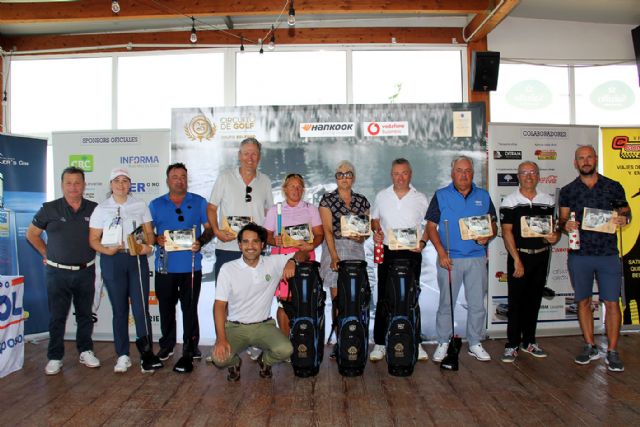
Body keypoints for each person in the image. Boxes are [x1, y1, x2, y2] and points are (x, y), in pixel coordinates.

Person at [559, 145, 631, 372]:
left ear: (596, 159)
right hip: (579, 254)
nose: (586, 161)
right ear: (575, 163)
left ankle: (612, 350)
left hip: (608, 254)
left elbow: (626, 213)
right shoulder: (568, 190)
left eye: (589, 157)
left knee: (611, 302)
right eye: (581, 158)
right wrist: (566, 225)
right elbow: (562, 221)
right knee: (583, 301)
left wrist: (624, 220)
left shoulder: (613, 186)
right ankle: (589, 345)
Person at [26, 166, 100, 375]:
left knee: (85, 315)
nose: (73, 187)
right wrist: (45, 254)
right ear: (62, 185)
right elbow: (32, 234)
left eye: (77, 182)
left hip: (86, 271)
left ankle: (85, 350)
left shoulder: (95, 209)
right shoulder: (49, 208)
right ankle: (55, 357)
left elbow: (103, 236)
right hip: (57, 273)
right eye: (69, 182)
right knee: (57, 317)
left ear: (84, 185)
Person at [211, 223, 308, 381]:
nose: (250, 246)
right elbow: (220, 306)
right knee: (219, 359)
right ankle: (234, 363)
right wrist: (221, 339)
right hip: (235, 327)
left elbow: (304, 253)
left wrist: (293, 262)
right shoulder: (228, 269)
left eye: (255, 241)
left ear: (262, 245)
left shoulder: (273, 263)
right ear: (240, 245)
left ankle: (265, 361)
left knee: (286, 350)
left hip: (263, 326)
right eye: (246, 242)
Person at [88, 167, 162, 373]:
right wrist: (106, 250)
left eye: (125, 181)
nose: (121, 185)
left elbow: (149, 233)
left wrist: (148, 246)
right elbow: (93, 239)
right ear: (111, 184)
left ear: (130, 184)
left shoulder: (140, 205)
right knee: (119, 310)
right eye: (117, 181)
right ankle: (122, 355)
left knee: (140, 309)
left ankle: (147, 354)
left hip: (136, 260)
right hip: (113, 261)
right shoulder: (101, 209)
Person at [425, 155, 497, 362]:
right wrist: (440, 253)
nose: (463, 175)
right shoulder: (441, 195)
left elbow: (494, 224)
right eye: (459, 170)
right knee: (446, 304)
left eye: (467, 171)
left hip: (476, 258)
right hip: (450, 260)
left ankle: (475, 342)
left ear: (472, 173)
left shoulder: (483, 196)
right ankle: (443, 342)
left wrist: (488, 235)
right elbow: (431, 228)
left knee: (476, 304)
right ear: (452, 173)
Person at [149, 163, 214, 372]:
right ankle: (167, 346)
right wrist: (155, 239)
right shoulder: (155, 204)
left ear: (187, 179)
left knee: (190, 309)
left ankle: (191, 346)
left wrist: (201, 242)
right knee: (166, 309)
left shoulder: (199, 202)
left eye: (183, 176)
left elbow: (210, 229)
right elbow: (147, 233)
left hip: (191, 267)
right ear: (167, 180)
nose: (179, 180)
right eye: (175, 177)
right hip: (165, 267)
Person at [499, 161, 560, 362]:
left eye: (532, 172)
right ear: (518, 176)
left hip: (541, 256)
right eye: (524, 173)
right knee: (516, 302)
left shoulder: (548, 201)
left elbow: (552, 230)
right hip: (519, 256)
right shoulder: (509, 201)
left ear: (538, 175)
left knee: (534, 301)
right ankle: (512, 344)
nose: (528, 176)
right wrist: (517, 259)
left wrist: (554, 237)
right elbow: (507, 232)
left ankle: (529, 342)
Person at [370, 158, 429, 362]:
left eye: (404, 173)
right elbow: (374, 220)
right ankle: (379, 343)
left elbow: (429, 226)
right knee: (384, 298)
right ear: (391, 175)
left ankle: (416, 342)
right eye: (396, 173)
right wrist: (376, 231)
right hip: (388, 251)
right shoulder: (382, 196)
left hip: (412, 253)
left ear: (410, 174)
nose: (400, 177)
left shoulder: (420, 198)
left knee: (412, 298)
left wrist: (421, 244)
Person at [318, 161, 370, 358]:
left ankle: (354, 340)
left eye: (348, 174)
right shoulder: (327, 200)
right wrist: (334, 257)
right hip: (335, 250)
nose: (344, 177)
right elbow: (327, 231)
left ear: (353, 177)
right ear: (336, 178)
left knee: (354, 300)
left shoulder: (362, 200)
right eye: (340, 174)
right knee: (339, 300)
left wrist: (362, 237)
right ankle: (341, 342)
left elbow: (365, 230)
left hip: (356, 251)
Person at [264, 173, 324, 336]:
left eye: (299, 187)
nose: (296, 190)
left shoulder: (310, 209)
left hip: (305, 260)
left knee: (304, 301)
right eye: (292, 186)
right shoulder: (274, 211)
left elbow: (319, 234)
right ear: (284, 189)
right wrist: (273, 240)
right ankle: (286, 344)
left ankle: (304, 341)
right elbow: (266, 236)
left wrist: (312, 245)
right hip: (281, 262)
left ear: (303, 190)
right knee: (284, 303)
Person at [207, 137, 273, 281]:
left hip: (255, 250)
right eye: (246, 153)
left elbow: (270, 213)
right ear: (239, 155)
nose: (250, 158)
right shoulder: (225, 178)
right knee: (224, 298)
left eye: (254, 154)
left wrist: (269, 238)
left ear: (259, 157)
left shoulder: (266, 181)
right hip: (227, 248)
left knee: (254, 295)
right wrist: (217, 231)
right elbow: (211, 208)